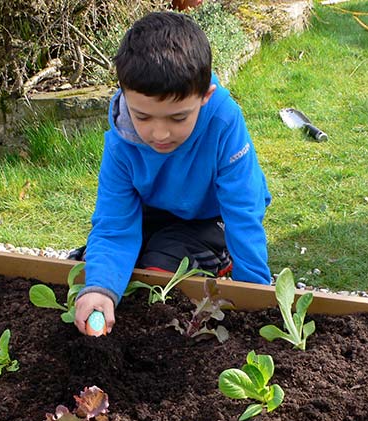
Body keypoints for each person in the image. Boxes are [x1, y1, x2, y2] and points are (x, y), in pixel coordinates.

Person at [73, 10, 272, 335]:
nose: (159, 134)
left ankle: (219, 260)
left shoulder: (223, 120)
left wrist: (255, 295)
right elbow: (114, 224)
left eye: (178, 118)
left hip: (210, 217)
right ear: (124, 94)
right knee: (94, 267)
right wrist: (100, 288)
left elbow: (243, 207)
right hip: (156, 212)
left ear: (205, 96)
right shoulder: (121, 137)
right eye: (144, 117)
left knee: (159, 270)